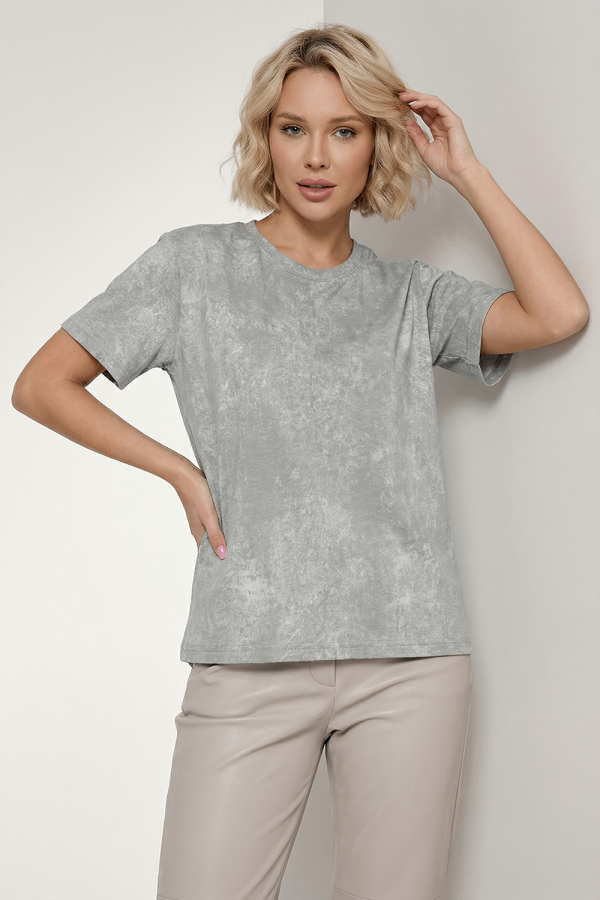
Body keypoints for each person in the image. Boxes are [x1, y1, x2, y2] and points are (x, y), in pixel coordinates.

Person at [12, 22, 588, 900]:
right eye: (294, 128)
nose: (316, 156)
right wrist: (179, 470)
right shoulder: (193, 267)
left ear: (376, 145)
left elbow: (558, 314)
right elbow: (43, 385)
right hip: (248, 655)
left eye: (344, 130)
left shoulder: (410, 297)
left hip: (409, 663)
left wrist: (466, 171)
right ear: (267, 138)